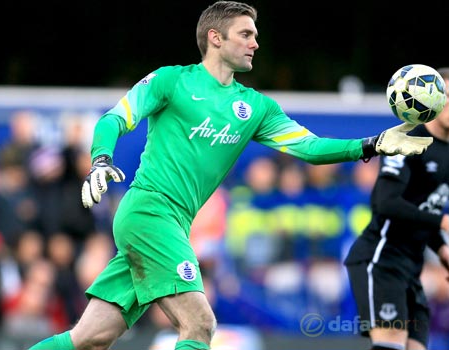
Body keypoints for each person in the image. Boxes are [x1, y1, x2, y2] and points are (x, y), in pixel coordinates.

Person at [28, 2, 434, 349]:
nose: (256, 42)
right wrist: (101, 160)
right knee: (200, 323)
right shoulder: (173, 80)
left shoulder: (255, 108)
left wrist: (373, 143)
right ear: (215, 38)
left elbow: (309, 148)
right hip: (149, 212)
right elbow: (116, 119)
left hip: (172, 224)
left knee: (89, 338)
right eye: (246, 33)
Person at [344, 68, 449, 350]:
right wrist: (442, 222)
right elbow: (385, 203)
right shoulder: (410, 141)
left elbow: (422, 210)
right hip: (381, 259)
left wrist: (441, 250)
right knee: (390, 344)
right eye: (447, 97)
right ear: (433, 101)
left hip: (411, 266)